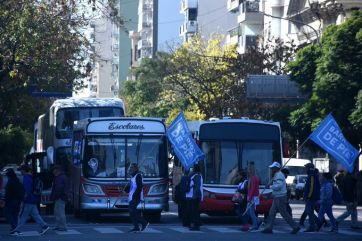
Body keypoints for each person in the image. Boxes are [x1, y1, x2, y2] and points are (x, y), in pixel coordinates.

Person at [10, 164, 49, 236]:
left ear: (24, 170)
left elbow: (27, 189)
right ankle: (44, 226)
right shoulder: (31, 177)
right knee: (34, 215)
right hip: (33, 198)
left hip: (28, 199)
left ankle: (18, 230)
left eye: (21, 170)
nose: (20, 172)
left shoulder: (26, 178)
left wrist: (24, 198)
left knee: (23, 215)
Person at [261, 162, 300, 234]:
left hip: (280, 197)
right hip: (277, 197)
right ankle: (269, 228)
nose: (271, 169)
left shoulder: (279, 175)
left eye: (273, 168)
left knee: (284, 213)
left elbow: (278, 186)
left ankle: (295, 226)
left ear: (276, 168)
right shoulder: (277, 174)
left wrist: (270, 186)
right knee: (272, 212)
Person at [126, 163, 149, 232]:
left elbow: (139, 187)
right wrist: (124, 190)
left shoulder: (138, 176)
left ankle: (144, 222)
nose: (130, 169)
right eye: (130, 167)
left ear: (135, 168)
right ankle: (136, 226)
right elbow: (132, 187)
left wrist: (135, 196)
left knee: (132, 210)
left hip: (136, 197)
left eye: (132, 167)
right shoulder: (133, 177)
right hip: (131, 197)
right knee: (131, 211)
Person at [3, 168, 24, 233]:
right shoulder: (17, 180)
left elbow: (8, 193)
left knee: (7, 213)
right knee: (15, 214)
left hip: (11, 200)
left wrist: (5, 200)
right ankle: (14, 227)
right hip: (17, 200)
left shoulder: (10, 182)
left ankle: (14, 226)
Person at [50, 165, 70, 231]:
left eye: (54, 170)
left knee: (60, 212)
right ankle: (59, 226)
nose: (53, 171)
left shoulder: (59, 178)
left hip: (60, 197)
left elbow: (59, 188)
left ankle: (63, 226)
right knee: (57, 212)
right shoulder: (62, 177)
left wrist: (55, 196)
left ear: (57, 170)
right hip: (61, 196)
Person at [302, 163, 320, 232]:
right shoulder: (311, 174)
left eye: (306, 167)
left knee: (310, 211)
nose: (305, 169)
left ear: (309, 168)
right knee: (308, 211)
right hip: (311, 197)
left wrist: (308, 196)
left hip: (311, 198)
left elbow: (312, 187)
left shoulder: (312, 175)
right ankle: (318, 222)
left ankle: (312, 226)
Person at [186, 163, 203, 231]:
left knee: (194, 211)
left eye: (193, 168)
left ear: (195, 169)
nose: (192, 169)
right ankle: (196, 224)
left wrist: (194, 196)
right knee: (194, 211)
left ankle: (196, 226)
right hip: (195, 196)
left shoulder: (197, 176)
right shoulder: (195, 175)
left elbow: (197, 187)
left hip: (195, 196)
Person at [246, 163, 260, 231]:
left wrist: (249, 198)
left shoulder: (253, 178)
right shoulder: (254, 177)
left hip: (252, 197)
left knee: (251, 212)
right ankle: (258, 222)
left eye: (248, 169)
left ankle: (255, 225)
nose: (247, 171)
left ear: (251, 170)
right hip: (254, 196)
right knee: (250, 211)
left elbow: (252, 189)